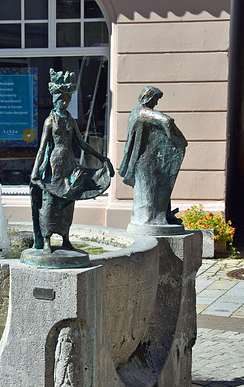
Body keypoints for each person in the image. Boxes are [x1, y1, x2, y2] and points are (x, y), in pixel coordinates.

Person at [30, 69, 114, 251]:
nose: (64, 103)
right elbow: (42, 147)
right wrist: (35, 172)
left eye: (67, 100)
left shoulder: (71, 120)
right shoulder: (49, 121)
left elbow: (82, 143)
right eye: (61, 99)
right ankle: (47, 240)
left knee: (68, 202)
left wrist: (101, 157)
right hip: (54, 166)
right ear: (55, 100)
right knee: (50, 202)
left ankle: (65, 238)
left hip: (69, 162)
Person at [119, 86, 188, 229]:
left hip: (143, 160)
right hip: (145, 161)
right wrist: (175, 137)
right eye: (156, 99)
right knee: (150, 191)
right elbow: (167, 121)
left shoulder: (135, 111)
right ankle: (150, 220)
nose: (156, 103)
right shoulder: (144, 113)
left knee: (154, 188)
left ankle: (160, 216)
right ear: (149, 98)